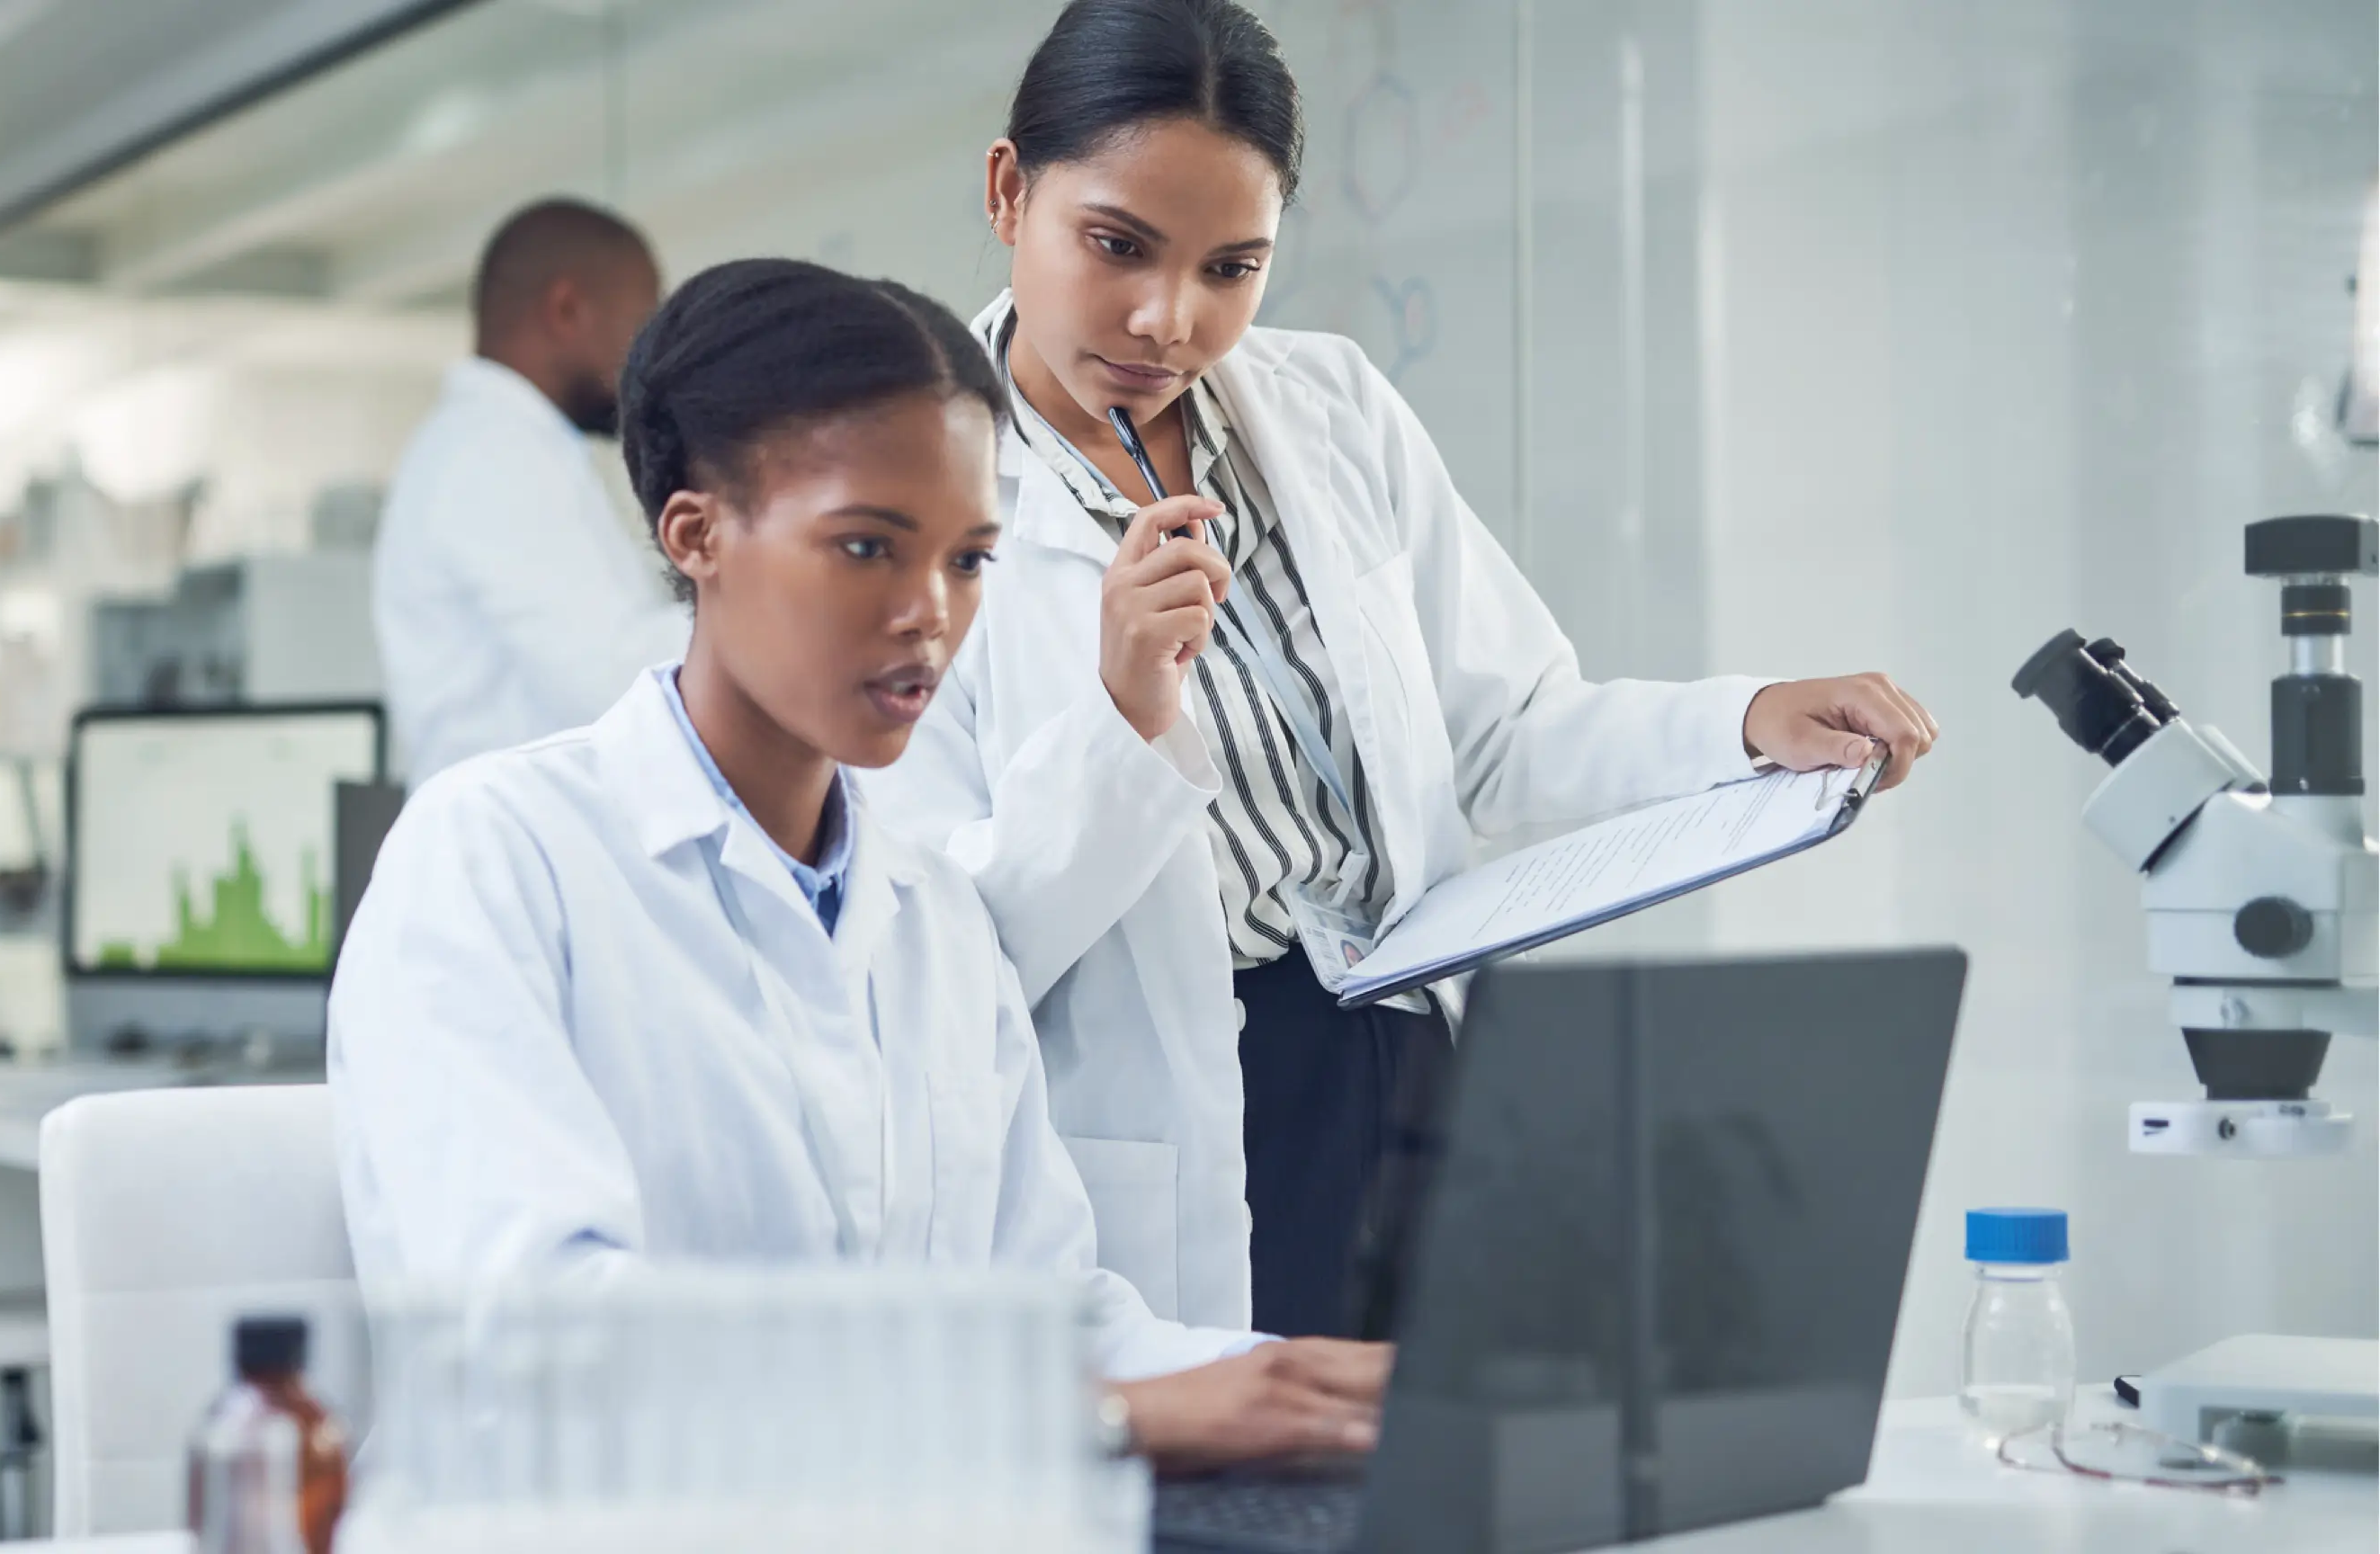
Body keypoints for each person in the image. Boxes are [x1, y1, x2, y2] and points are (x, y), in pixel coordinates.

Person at [862, 0, 1943, 1341]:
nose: (1167, 319)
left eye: (1231, 268)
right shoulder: (911, 493)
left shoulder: (1331, 409)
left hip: (1418, 1060)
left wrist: (1746, 724)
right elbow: (938, 951)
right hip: (1205, 1109)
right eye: (1117, 245)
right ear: (1007, 189)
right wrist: (1121, 713)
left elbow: (1507, 729)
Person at [329, 258, 1391, 1468]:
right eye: (867, 549)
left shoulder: (928, 914)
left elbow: (1046, 1317)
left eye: (968, 558)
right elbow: (542, 1350)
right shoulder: (493, 862)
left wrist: (1287, 1381)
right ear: (698, 534)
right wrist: (1109, 1418)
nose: (928, 613)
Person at [371, 197, 687, 783]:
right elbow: (614, 677)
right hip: (514, 861)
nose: (654, 360)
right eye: (645, 324)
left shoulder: (513, 448)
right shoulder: (491, 454)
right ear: (567, 309)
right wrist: (785, 610)